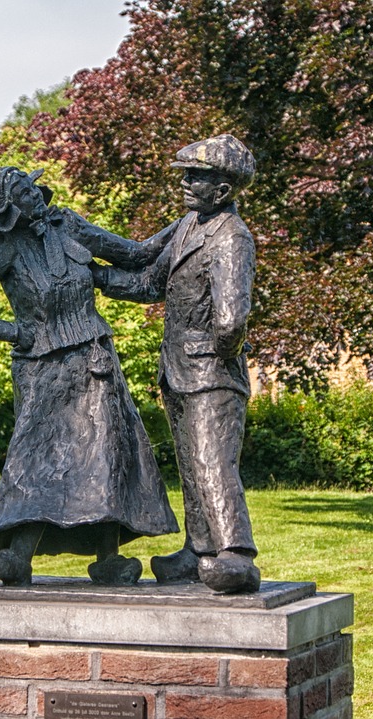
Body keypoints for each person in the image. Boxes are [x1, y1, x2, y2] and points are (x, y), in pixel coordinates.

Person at [0, 166, 178, 587]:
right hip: (40, 370)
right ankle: (18, 554)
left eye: (32, 186)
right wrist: (17, 332)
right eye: (22, 192)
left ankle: (109, 556)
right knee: (36, 458)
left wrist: (187, 224)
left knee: (105, 452)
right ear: (7, 209)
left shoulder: (67, 224)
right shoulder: (3, 250)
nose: (35, 195)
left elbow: (136, 255)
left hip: (93, 360)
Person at [83, 135, 261, 594]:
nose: (184, 182)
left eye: (195, 175)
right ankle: (198, 548)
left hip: (211, 372)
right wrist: (88, 262)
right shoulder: (188, 225)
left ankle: (235, 555)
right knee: (190, 461)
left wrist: (216, 353)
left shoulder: (231, 238)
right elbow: (144, 270)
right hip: (180, 368)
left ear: (222, 189)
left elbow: (233, 318)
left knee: (213, 461)